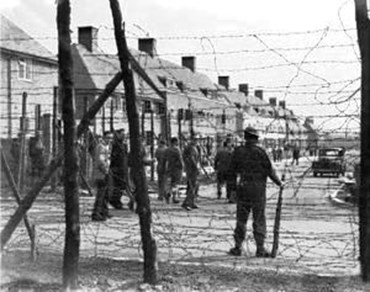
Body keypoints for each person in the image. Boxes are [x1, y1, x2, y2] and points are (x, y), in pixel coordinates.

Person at [228, 126, 283, 257]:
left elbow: (231, 173)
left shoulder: (238, 151)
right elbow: (269, 171)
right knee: (259, 218)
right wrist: (279, 183)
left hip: (243, 187)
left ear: (246, 137)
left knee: (241, 219)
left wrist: (232, 190)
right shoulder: (260, 152)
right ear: (256, 138)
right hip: (258, 189)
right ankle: (260, 248)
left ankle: (237, 247)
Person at [91, 131, 113, 221]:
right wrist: (105, 170)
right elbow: (100, 161)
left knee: (106, 194)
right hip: (101, 174)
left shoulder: (106, 147)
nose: (110, 140)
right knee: (101, 194)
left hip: (105, 172)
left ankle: (104, 211)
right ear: (104, 137)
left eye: (111, 138)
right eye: (108, 137)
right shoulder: (101, 147)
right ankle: (96, 213)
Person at [109, 129, 129, 209]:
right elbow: (113, 157)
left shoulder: (123, 145)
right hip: (117, 168)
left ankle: (118, 201)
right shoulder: (115, 145)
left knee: (122, 186)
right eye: (122, 134)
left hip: (123, 167)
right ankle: (115, 201)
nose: (124, 136)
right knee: (117, 186)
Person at [182, 136, 200, 211]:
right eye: (195, 140)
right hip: (192, 169)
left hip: (190, 169)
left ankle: (191, 202)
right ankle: (187, 203)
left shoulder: (191, 147)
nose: (196, 141)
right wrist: (196, 167)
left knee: (193, 185)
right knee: (192, 186)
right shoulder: (191, 148)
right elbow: (192, 158)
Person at [163, 137, 184, 204]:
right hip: (176, 168)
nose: (178, 143)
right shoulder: (177, 150)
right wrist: (182, 167)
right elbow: (180, 159)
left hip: (169, 168)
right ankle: (173, 196)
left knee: (170, 183)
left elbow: (164, 159)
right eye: (177, 141)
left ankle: (168, 193)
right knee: (175, 184)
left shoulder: (167, 150)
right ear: (175, 142)